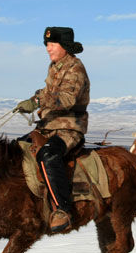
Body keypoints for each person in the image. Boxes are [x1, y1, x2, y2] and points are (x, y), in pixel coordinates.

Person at [15, 27, 90, 234]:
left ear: (64, 46)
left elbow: (67, 99)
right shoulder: (55, 67)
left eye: (52, 44)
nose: (48, 48)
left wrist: (39, 100)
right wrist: (32, 100)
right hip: (48, 126)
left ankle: (62, 210)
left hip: (69, 128)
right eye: (47, 44)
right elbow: (47, 91)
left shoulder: (75, 68)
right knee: (17, 148)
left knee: (48, 154)